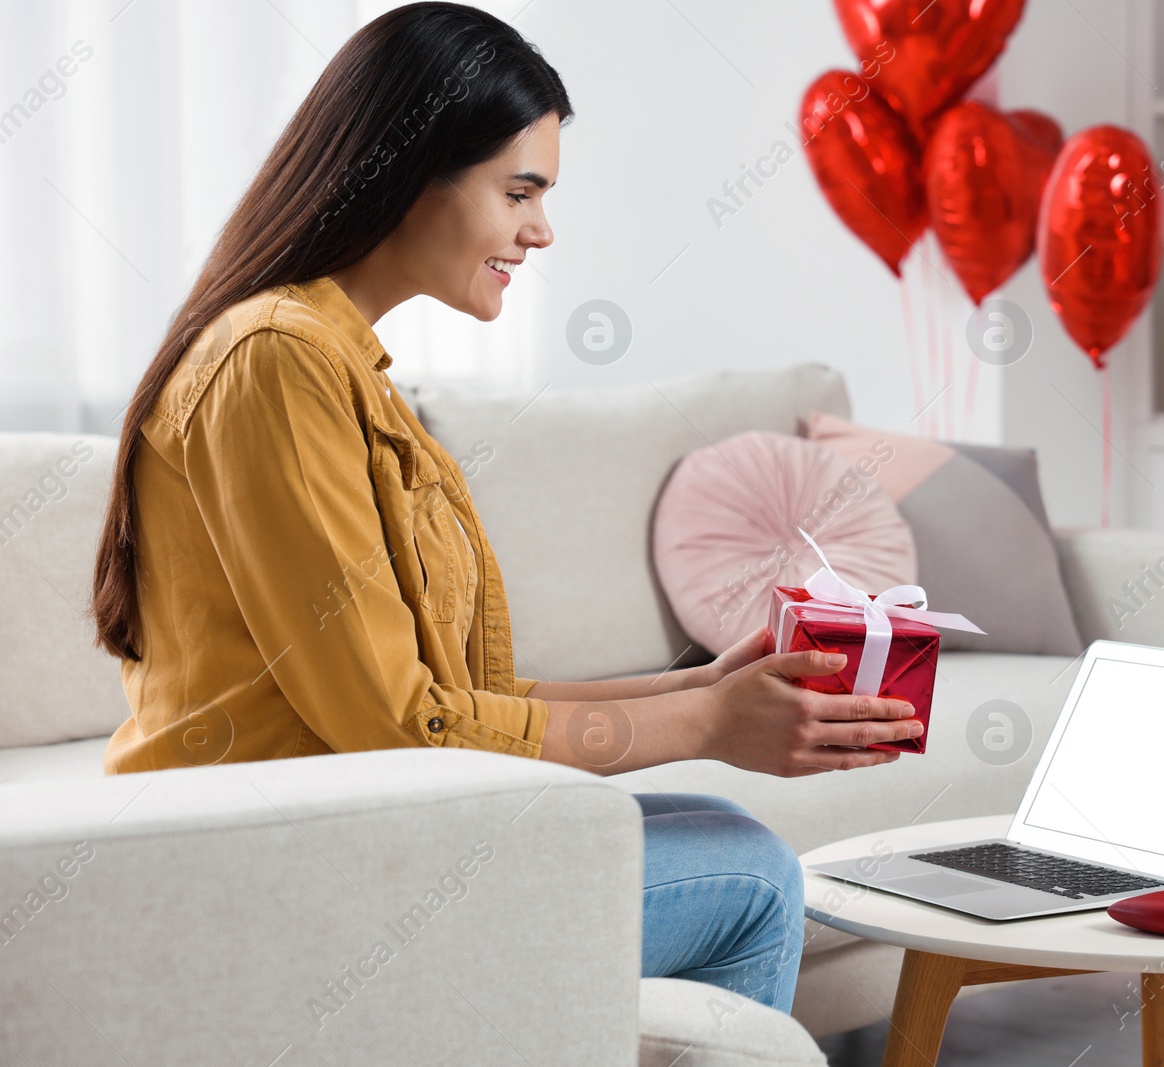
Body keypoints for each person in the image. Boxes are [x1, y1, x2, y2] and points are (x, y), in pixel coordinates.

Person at [87, 2, 921, 1015]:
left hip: (340, 828)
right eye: (517, 190)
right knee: (746, 877)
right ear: (408, 169)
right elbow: (397, 725)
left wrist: (695, 689)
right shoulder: (277, 361)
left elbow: (443, 692)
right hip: (266, 877)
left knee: (712, 828)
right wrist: (705, 720)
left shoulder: (337, 363)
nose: (541, 228)